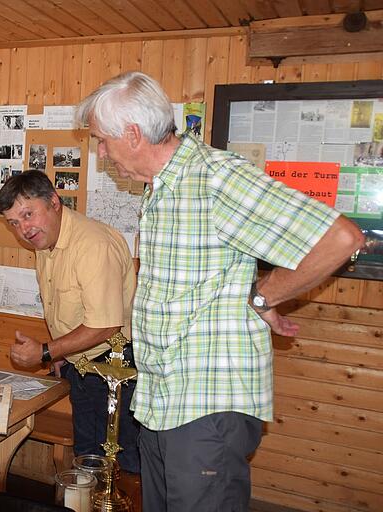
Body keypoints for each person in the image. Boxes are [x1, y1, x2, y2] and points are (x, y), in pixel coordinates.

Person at [76, 71, 365, 511]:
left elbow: (340, 238)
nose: (100, 151)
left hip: (204, 411)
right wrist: (252, 291)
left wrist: (265, 296)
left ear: (132, 134)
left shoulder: (215, 178)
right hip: (162, 402)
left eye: (101, 139)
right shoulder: (161, 189)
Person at [0, 170, 141, 473]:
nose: (24, 229)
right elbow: (64, 307)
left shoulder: (92, 245)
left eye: (28, 214)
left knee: (124, 466)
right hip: (81, 367)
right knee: (87, 459)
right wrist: (62, 354)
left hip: (116, 370)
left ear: (54, 201)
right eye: (14, 223)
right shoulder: (46, 242)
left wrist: (48, 351)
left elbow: (105, 324)